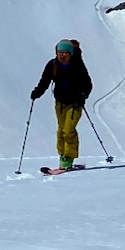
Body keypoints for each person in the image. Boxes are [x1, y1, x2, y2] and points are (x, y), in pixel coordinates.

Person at [31, 39, 93, 171]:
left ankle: (68, 159)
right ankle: (63, 157)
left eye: (65, 53)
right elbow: (45, 81)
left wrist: (83, 95)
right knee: (61, 131)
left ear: (70, 54)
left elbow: (87, 83)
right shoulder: (52, 65)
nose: (62, 55)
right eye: (60, 52)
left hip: (75, 103)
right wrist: (37, 92)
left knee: (68, 130)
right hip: (60, 103)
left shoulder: (77, 65)